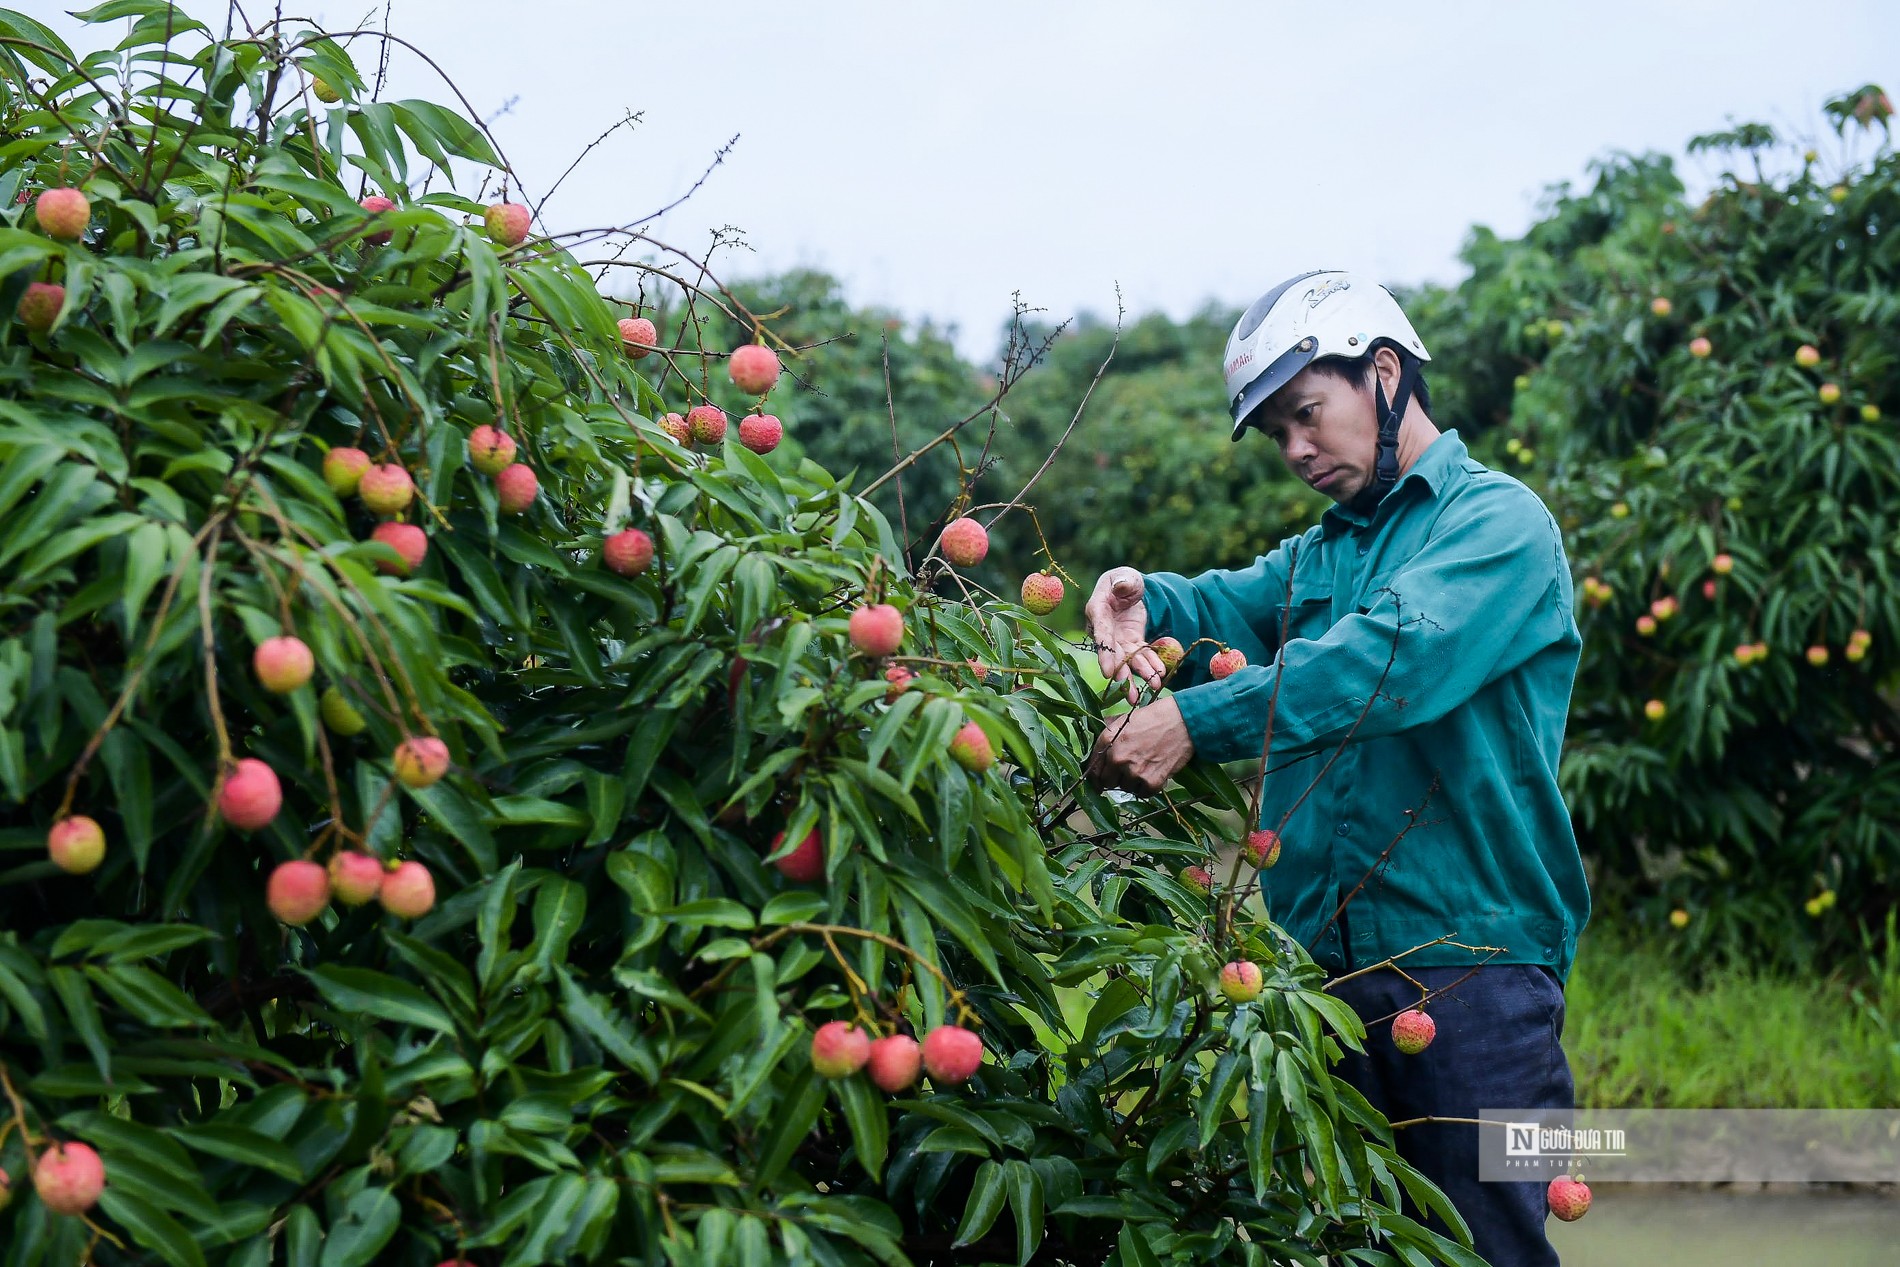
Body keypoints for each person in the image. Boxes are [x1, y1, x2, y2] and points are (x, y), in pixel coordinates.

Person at [1084, 270, 1590, 1266]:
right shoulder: (1325, 553)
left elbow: (1387, 659)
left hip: (1475, 978)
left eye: (1306, 414)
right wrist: (1142, 597)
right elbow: (1229, 605)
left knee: (1486, 1246)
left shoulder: (1499, 526)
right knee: (1351, 1246)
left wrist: (1194, 721)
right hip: (1326, 975)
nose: (1296, 450)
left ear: (1385, 374)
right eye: (1276, 433)